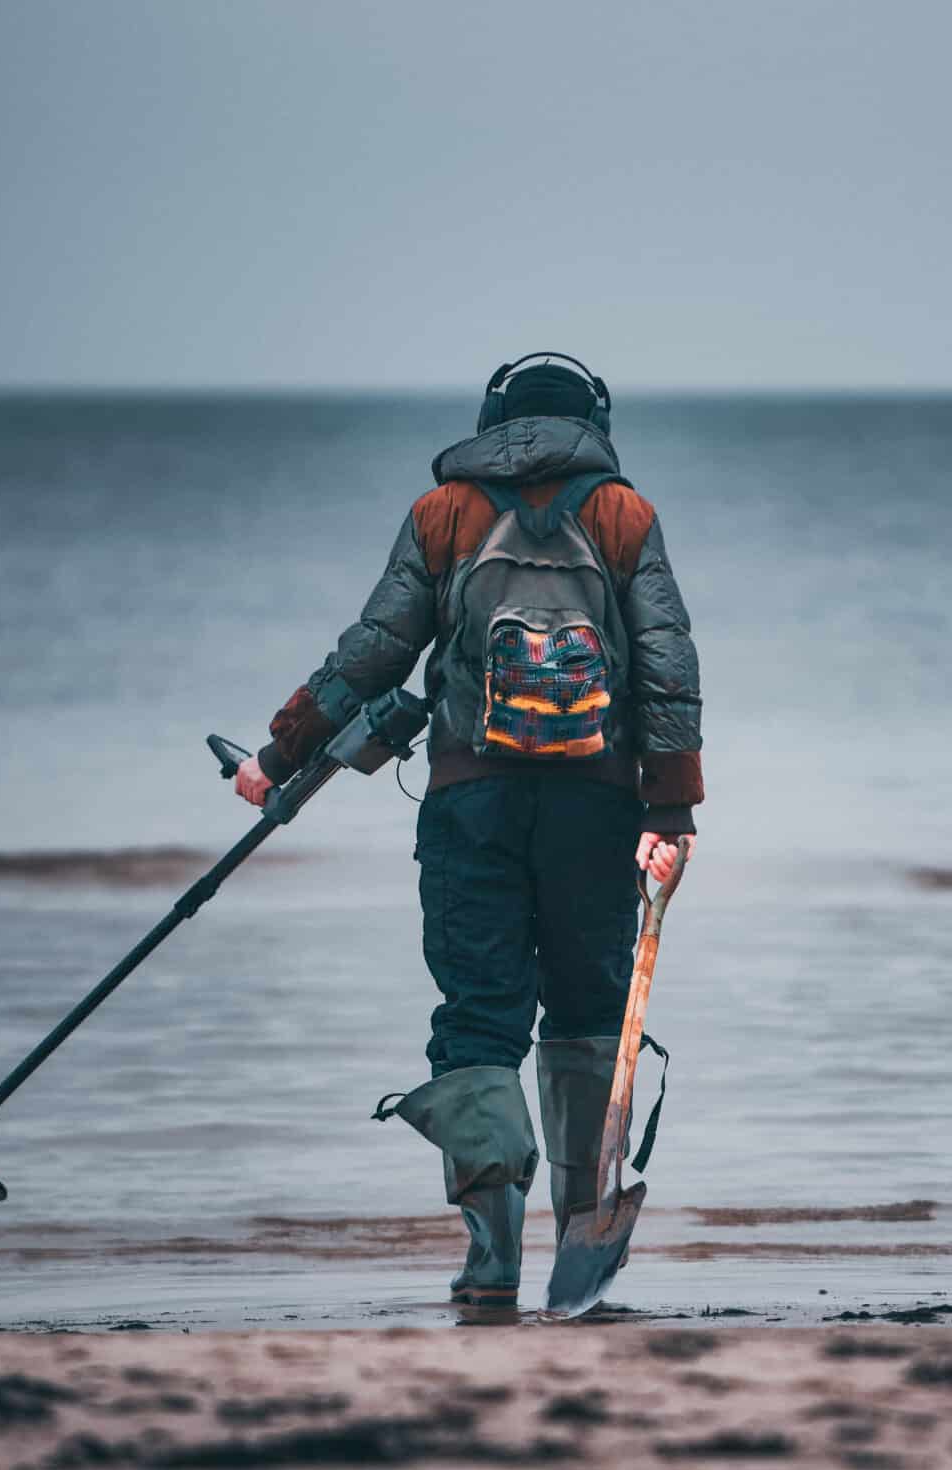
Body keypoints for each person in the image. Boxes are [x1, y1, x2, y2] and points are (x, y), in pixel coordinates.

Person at [234, 353, 702, 1308]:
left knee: (480, 1015)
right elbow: (667, 665)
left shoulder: (442, 513)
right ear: (595, 421)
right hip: (598, 804)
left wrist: (279, 755)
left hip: (470, 800)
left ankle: (492, 1258)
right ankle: (583, 1239)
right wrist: (671, 807)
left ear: (490, 419)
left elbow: (375, 651)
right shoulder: (624, 514)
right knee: (584, 1012)